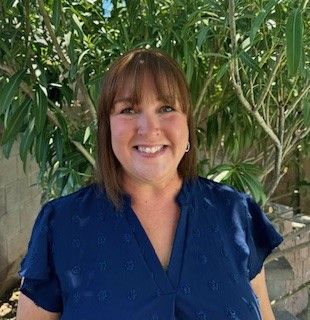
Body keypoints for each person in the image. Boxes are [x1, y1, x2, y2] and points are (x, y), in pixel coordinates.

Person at [16, 48, 283, 320]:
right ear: (107, 128)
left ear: (187, 125)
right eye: (129, 109)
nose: (149, 127)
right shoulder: (61, 225)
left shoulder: (235, 213)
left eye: (166, 108)